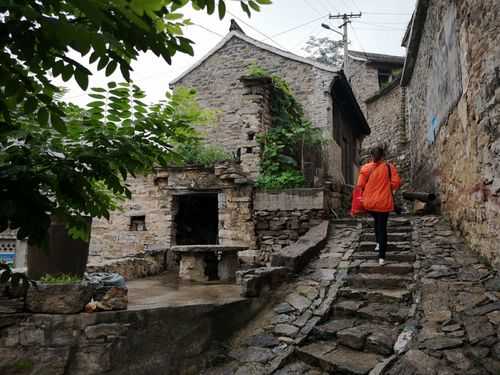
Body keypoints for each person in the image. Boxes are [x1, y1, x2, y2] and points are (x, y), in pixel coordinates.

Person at [356, 145, 401, 265]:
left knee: (376, 222)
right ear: (383, 156)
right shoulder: (389, 167)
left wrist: (370, 188)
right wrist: (386, 187)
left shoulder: (365, 168)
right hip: (383, 202)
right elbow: (396, 183)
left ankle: (377, 243)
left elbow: (360, 185)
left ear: (372, 156)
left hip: (369, 203)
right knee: (382, 227)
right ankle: (381, 257)